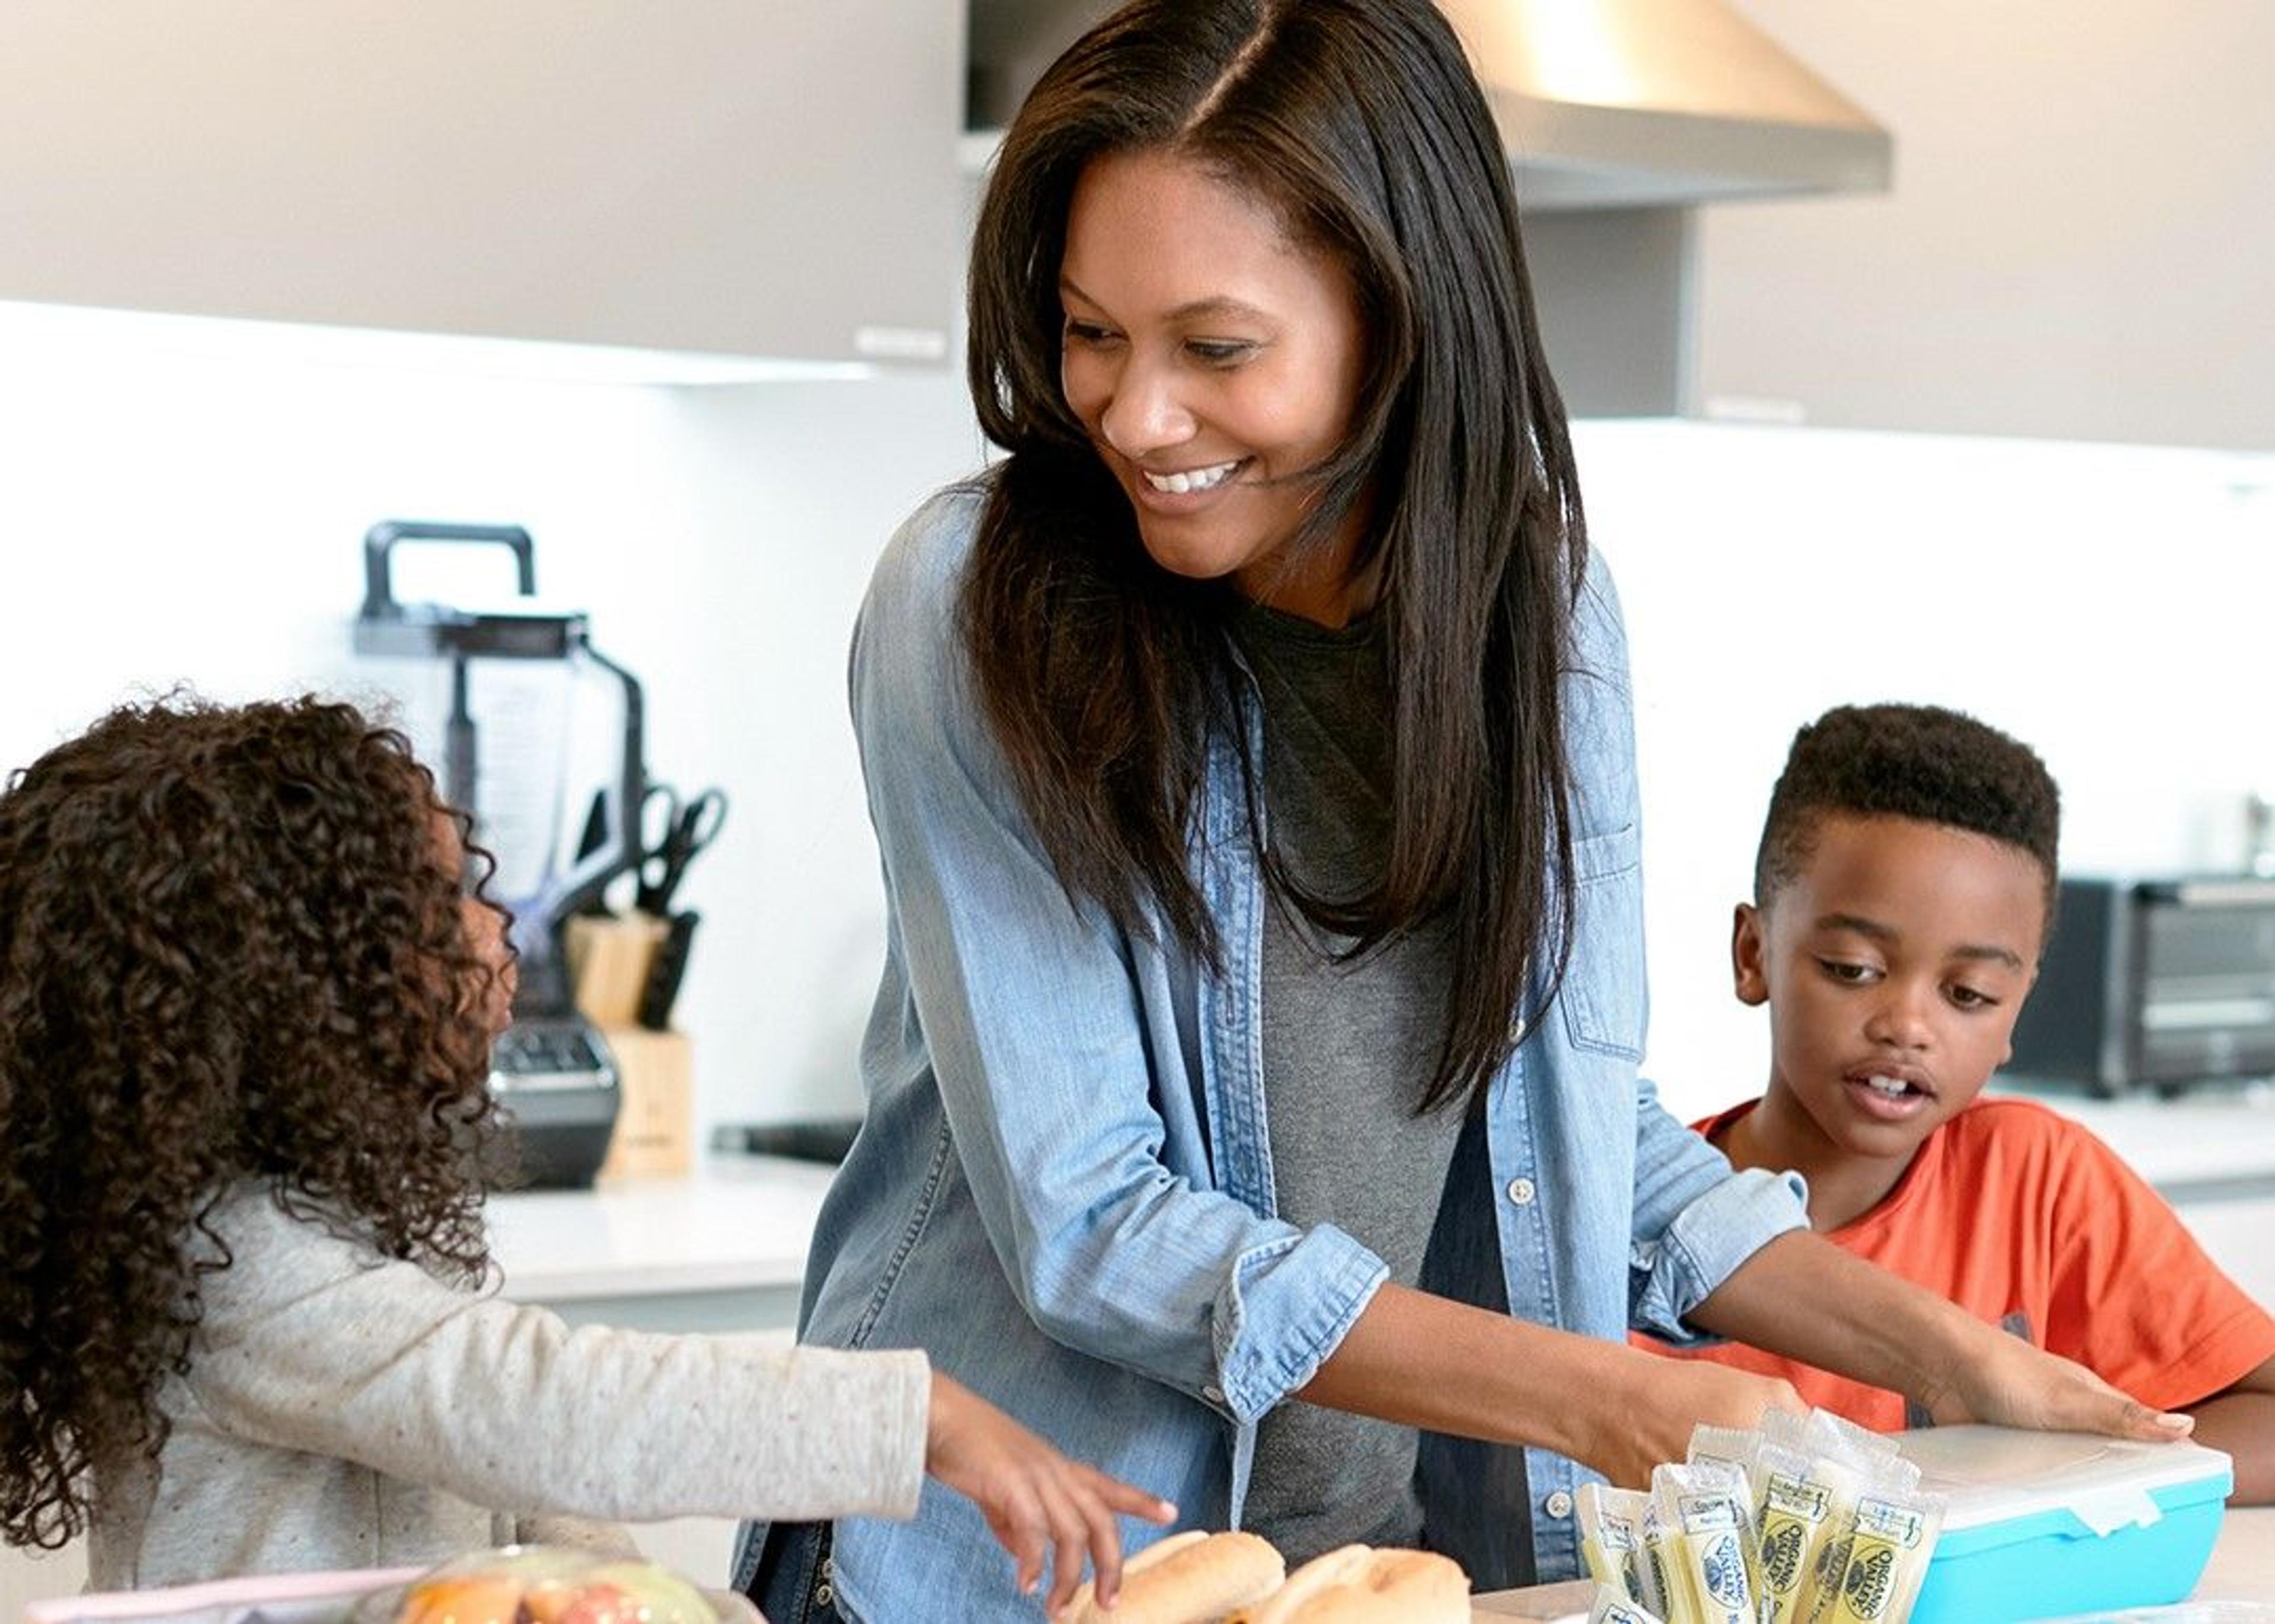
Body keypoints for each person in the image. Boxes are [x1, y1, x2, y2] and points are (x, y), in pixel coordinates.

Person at [737, 3, 2191, 1617]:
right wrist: (1608, 1396)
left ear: (1401, 315)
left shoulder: (1539, 614)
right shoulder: (975, 603)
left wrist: (1951, 1352)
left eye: (1216, 349)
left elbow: (1573, 1117)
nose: (1137, 416)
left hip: (1371, 1571)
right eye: (1092, 334)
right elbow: (1096, 1222)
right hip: (1001, 1576)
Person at [0, 694, 1171, 1613]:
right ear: (299, 982)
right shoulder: (238, 1267)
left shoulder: (337, 1220)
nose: (496, 922)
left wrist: (645, 1595)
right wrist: (926, 1421)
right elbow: (528, 1410)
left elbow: (504, 1487)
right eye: (443, 891)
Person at [1639, 702, 2275, 1501]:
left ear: (2018, 1010)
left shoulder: (2041, 1182)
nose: (1907, 1024)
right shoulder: (1637, 1236)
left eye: (1969, 993)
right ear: (1752, 952)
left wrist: (2056, 1483)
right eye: (1851, 967)